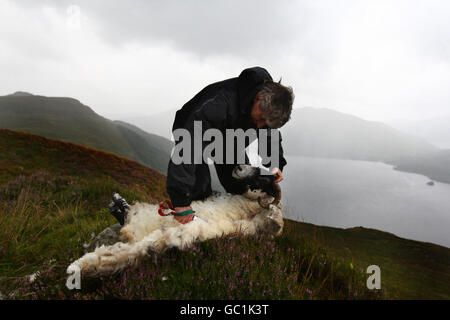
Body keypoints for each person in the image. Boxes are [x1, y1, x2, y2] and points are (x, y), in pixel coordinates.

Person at [166, 66, 294, 224]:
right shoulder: (220, 103)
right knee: (198, 190)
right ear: (258, 98)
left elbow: (269, 132)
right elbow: (189, 145)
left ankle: (234, 229)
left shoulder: (264, 110)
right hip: (191, 130)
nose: (260, 126)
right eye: (261, 119)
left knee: (241, 183)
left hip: (228, 138)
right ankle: (188, 225)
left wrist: (276, 164)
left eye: (266, 123)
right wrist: (180, 200)